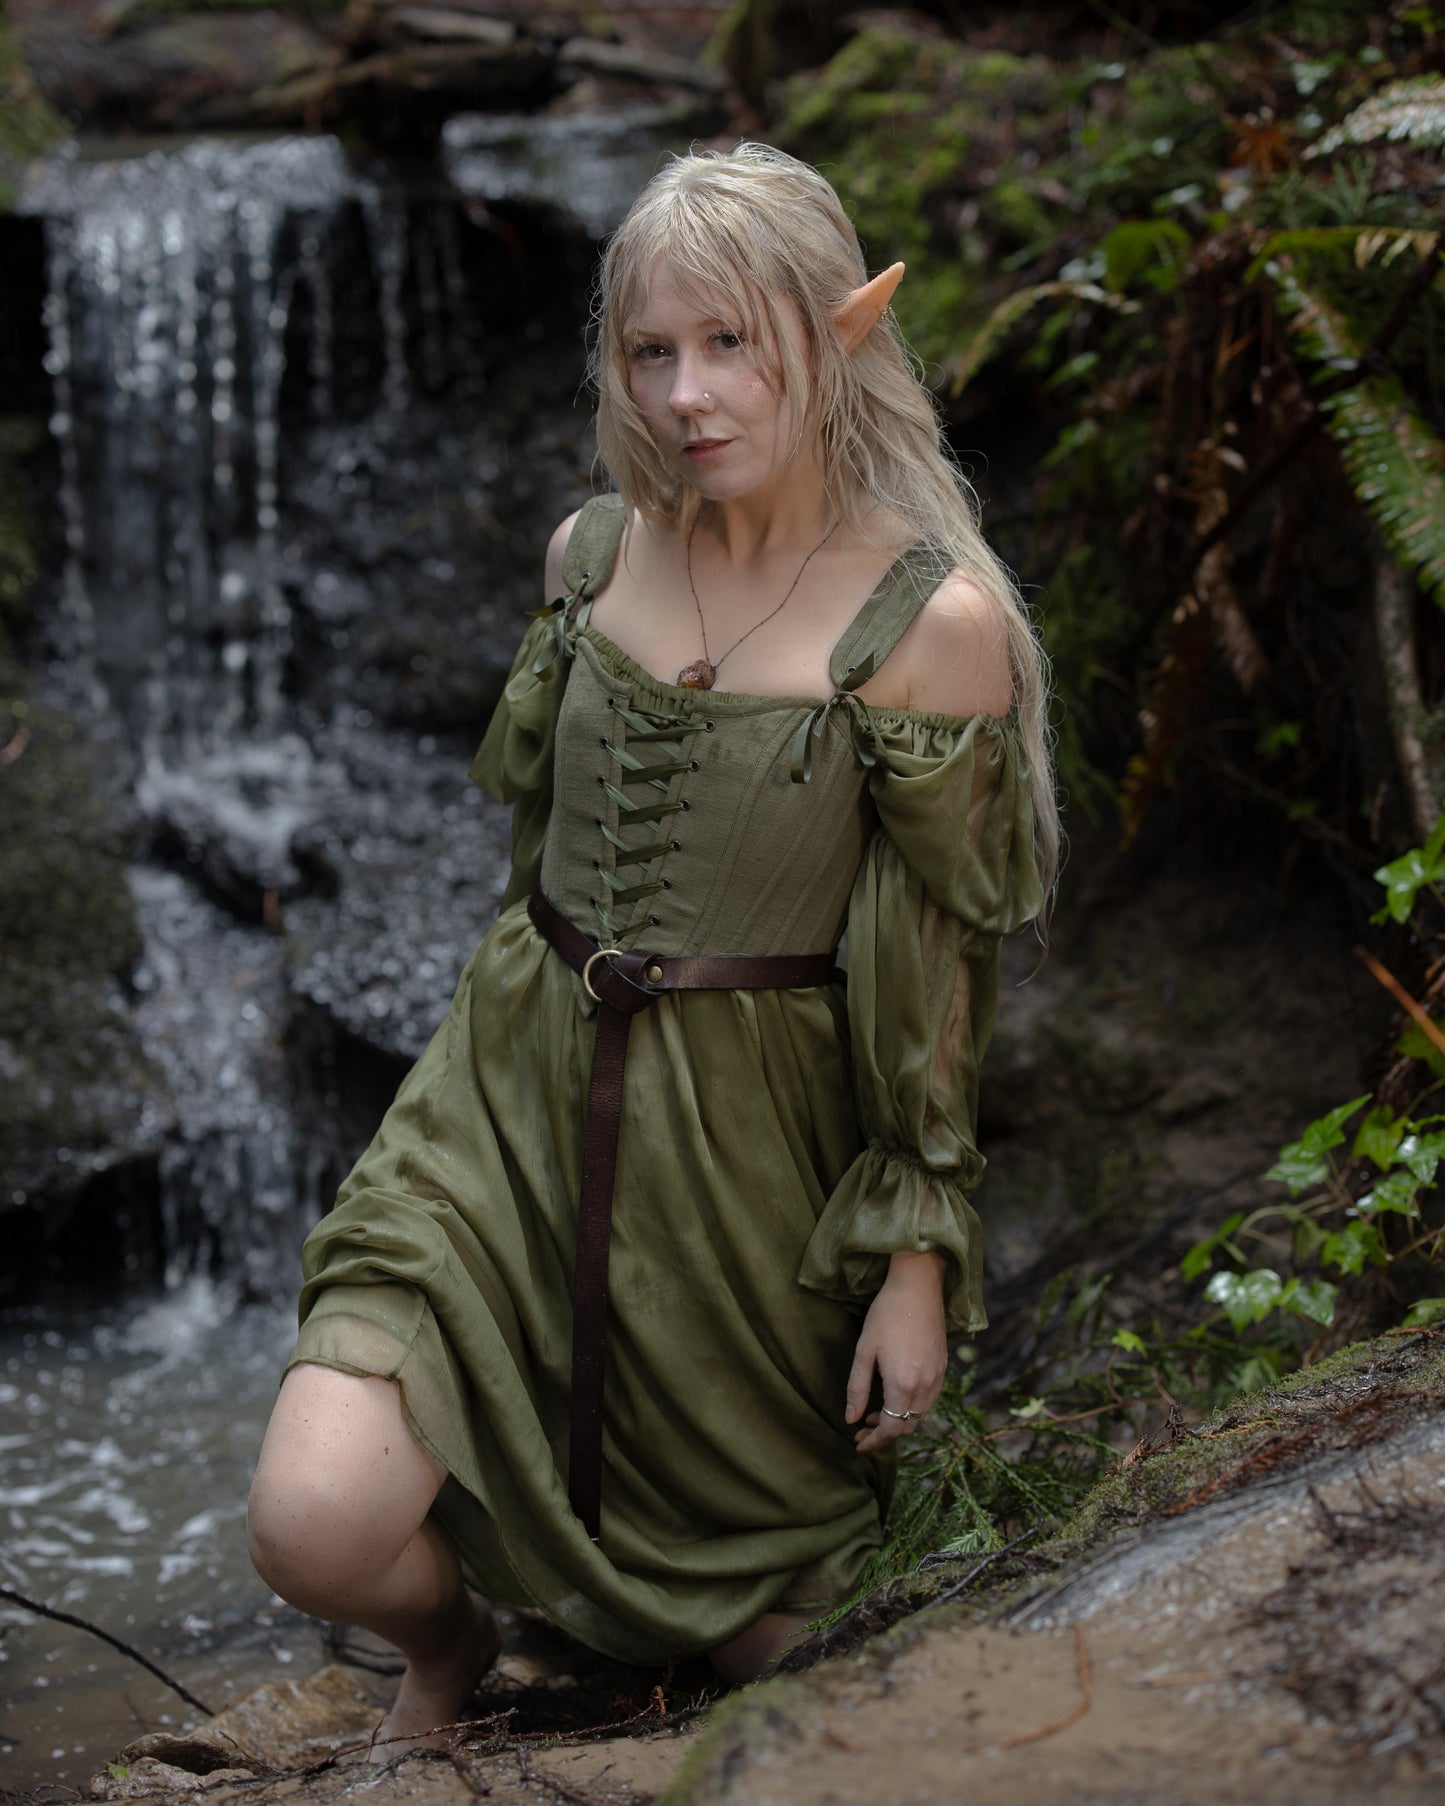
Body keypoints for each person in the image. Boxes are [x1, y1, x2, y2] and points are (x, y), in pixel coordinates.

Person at [247, 141, 1058, 1756]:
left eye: (732, 342)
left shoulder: (929, 626)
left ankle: (628, 1592)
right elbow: (528, 849)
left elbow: (935, 973)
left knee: (790, 1665)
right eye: (651, 350)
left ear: (839, 333)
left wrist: (910, 1258)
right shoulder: (591, 557)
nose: (688, 394)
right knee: (314, 1525)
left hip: (742, 1159)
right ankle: (448, 1641)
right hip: (506, 1104)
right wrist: (476, 1107)